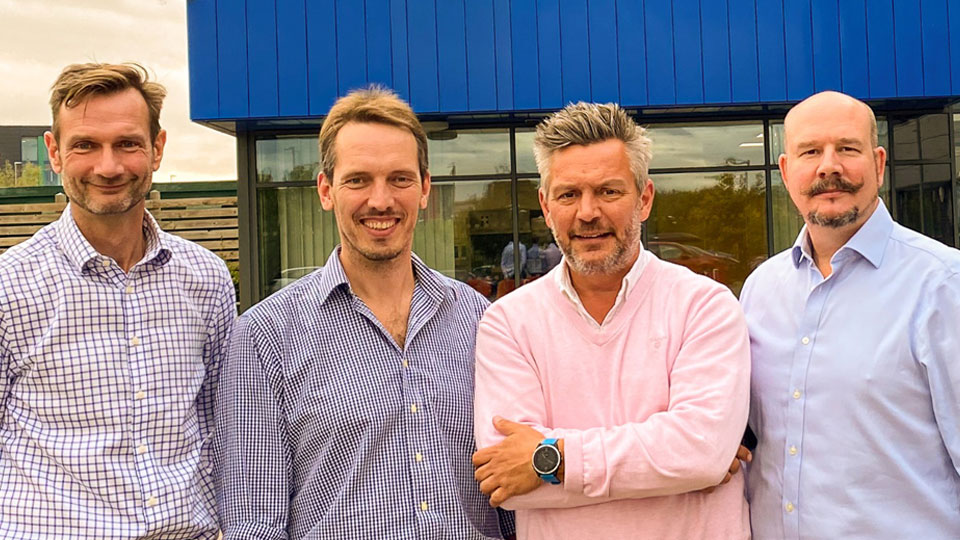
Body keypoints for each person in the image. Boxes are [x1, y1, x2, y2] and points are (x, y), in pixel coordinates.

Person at [215, 86, 513, 539]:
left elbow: (510, 499)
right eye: (358, 180)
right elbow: (254, 522)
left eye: (399, 179)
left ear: (425, 188)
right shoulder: (265, 337)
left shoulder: (478, 318)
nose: (381, 200)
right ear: (325, 190)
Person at [472, 102, 751, 539]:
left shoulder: (704, 307)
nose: (587, 212)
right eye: (568, 195)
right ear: (546, 206)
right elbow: (508, 480)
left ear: (644, 199)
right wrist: (666, 463)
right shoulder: (508, 322)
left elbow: (701, 453)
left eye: (608, 191)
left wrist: (550, 459)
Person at [0, 63, 236, 538]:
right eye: (85, 145)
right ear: (54, 152)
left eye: (127, 144)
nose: (108, 167)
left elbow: (223, 423)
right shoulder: (9, 286)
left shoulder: (206, 278)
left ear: (157, 149)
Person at [741, 91, 960, 539]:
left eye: (847, 148)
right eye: (810, 152)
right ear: (786, 171)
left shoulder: (943, 285)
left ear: (879, 164)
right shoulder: (760, 290)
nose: (829, 166)